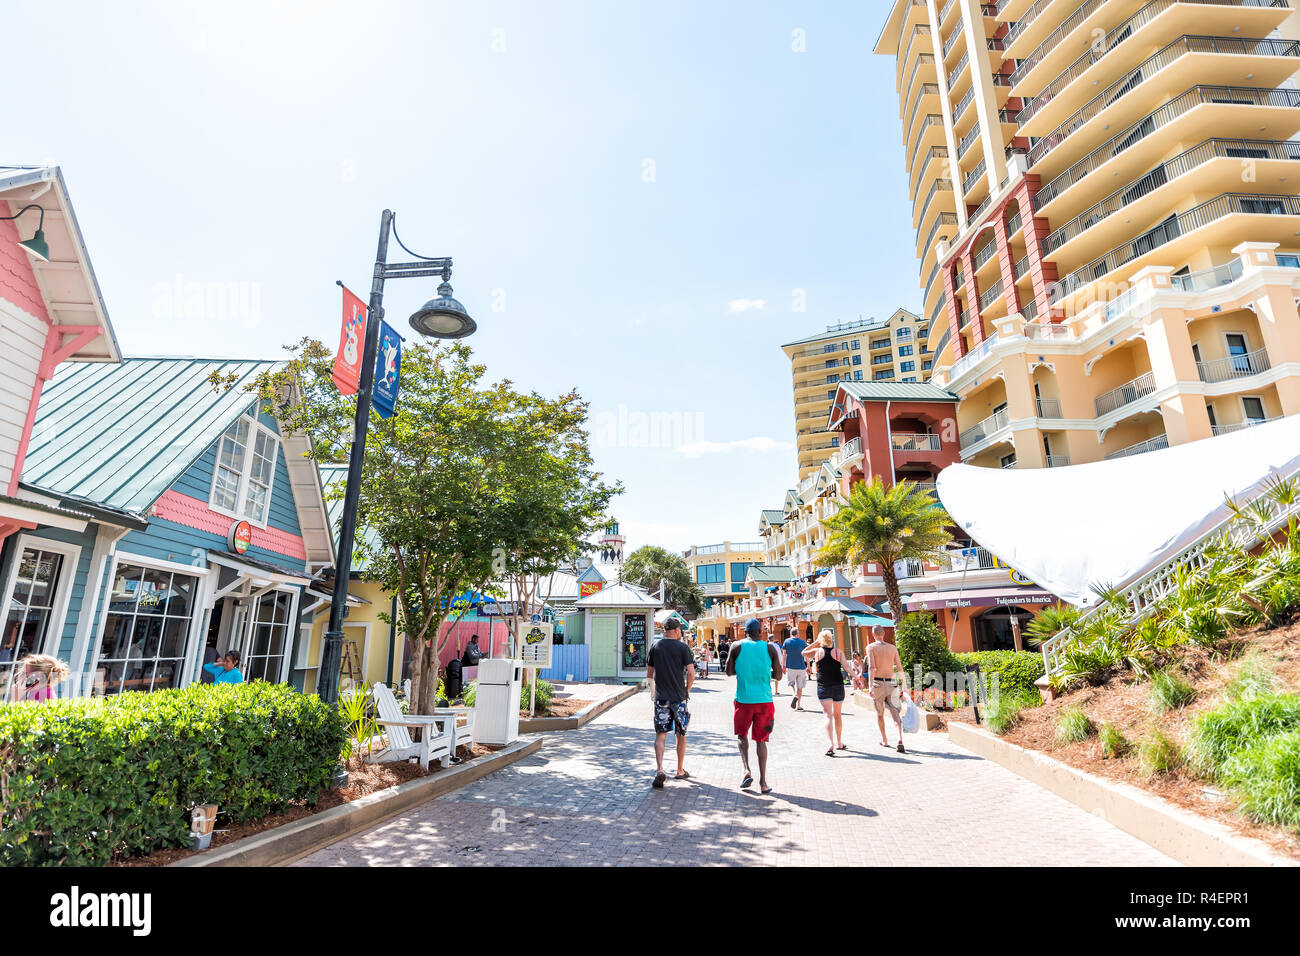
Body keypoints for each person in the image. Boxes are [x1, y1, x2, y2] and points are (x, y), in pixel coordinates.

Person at [726, 617, 783, 794]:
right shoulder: (770, 648)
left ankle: (746, 770)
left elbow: (728, 671)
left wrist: (743, 670)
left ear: (745, 632)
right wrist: (766, 673)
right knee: (761, 740)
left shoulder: (737, 646)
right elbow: (779, 676)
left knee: (742, 736)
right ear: (761, 632)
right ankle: (763, 782)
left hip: (743, 700)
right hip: (765, 701)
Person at [646, 617, 694, 788]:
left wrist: (653, 690)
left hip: (661, 698)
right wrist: (686, 690)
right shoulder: (683, 647)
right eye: (680, 630)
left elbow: (650, 673)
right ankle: (679, 770)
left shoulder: (655, 646)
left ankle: (660, 769)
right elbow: (691, 672)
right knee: (681, 734)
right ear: (675, 630)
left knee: (661, 734)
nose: (681, 632)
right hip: (679, 698)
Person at [802, 630, 850, 755]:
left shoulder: (817, 652)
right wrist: (856, 678)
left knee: (828, 715)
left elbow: (803, 652)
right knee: (838, 715)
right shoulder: (838, 652)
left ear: (820, 640)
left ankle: (830, 744)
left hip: (824, 687)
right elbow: (847, 667)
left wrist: (814, 643)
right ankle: (839, 743)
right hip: (838, 686)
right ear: (831, 639)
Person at [867, 626, 907, 753]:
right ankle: (900, 738)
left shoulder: (871, 647)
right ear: (883, 633)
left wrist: (870, 686)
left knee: (880, 714)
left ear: (873, 634)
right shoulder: (893, 648)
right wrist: (904, 685)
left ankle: (885, 740)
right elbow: (900, 668)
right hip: (892, 683)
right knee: (895, 712)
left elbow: (872, 668)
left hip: (878, 683)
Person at [781, 625, 809, 711]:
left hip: (791, 666)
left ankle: (794, 695)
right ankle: (799, 705)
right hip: (801, 667)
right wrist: (808, 666)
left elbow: (784, 654)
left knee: (791, 683)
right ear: (798, 634)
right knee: (800, 687)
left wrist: (783, 665)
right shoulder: (802, 642)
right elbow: (806, 655)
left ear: (790, 633)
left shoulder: (786, 641)